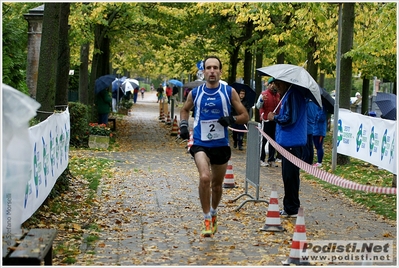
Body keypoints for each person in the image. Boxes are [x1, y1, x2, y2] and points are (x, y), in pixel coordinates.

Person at [179, 56, 249, 237]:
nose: (211, 71)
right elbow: (185, 109)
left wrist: (231, 119)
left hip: (220, 144)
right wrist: (183, 125)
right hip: (200, 142)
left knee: (217, 186)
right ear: (203, 71)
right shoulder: (195, 93)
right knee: (204, 177)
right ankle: (206, 218)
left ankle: (214, 212)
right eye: (208, 68)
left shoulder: (229, 92)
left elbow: (245, 116)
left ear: (220, 71)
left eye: (215, 68)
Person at [267, 79, 307, 218]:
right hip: (289, 141)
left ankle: (292, 208)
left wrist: (275, 118)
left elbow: (290, 118)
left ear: (285, 83)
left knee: (290, 176)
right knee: (288, 176)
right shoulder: (289, 95)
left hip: (292, 142)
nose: (276, 87)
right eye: (275, 84)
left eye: (278, 84)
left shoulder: (293, 95)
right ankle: (289, 206)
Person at [255, 77, 280, 167]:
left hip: (275, 120)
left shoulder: (278, 95)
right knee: (264, 140)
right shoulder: (264, 94)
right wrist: (261, 100)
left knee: (273, 140)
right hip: (265, 120)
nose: (273, 86)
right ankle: (261, 158)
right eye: (272, 84)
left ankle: (271, 159)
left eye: (275, 84)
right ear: (269, 85)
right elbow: (258, 106)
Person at [304, 99, 318, 165]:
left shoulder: (307, 104)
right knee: (310, 145)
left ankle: (306, 161)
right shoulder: (315, 104)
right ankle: (310, 161)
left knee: (306, 145)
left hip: (306, 126)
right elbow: (317, 116)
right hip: (312, 126)